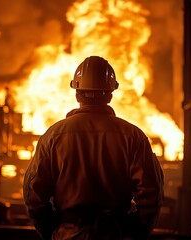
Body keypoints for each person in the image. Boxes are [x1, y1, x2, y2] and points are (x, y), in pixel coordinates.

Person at [23, 56, 164, 240]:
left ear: (76, 93)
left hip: (67, 235)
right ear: (110, 94)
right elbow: (151, 194)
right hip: (115, 234)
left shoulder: (53, 136)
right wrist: (133, 232)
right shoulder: (133, 137)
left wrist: (52, 231)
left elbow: (33, 194)